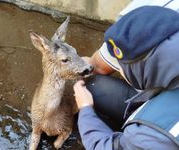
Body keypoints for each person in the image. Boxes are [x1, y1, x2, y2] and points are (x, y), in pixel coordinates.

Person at [73, 1, 179, 150]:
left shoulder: (149, 137)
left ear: (145, 69)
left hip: (161, 131)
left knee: (91, 87)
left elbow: (104, 147)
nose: (119, 69)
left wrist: (85, 109)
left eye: (123, 66)